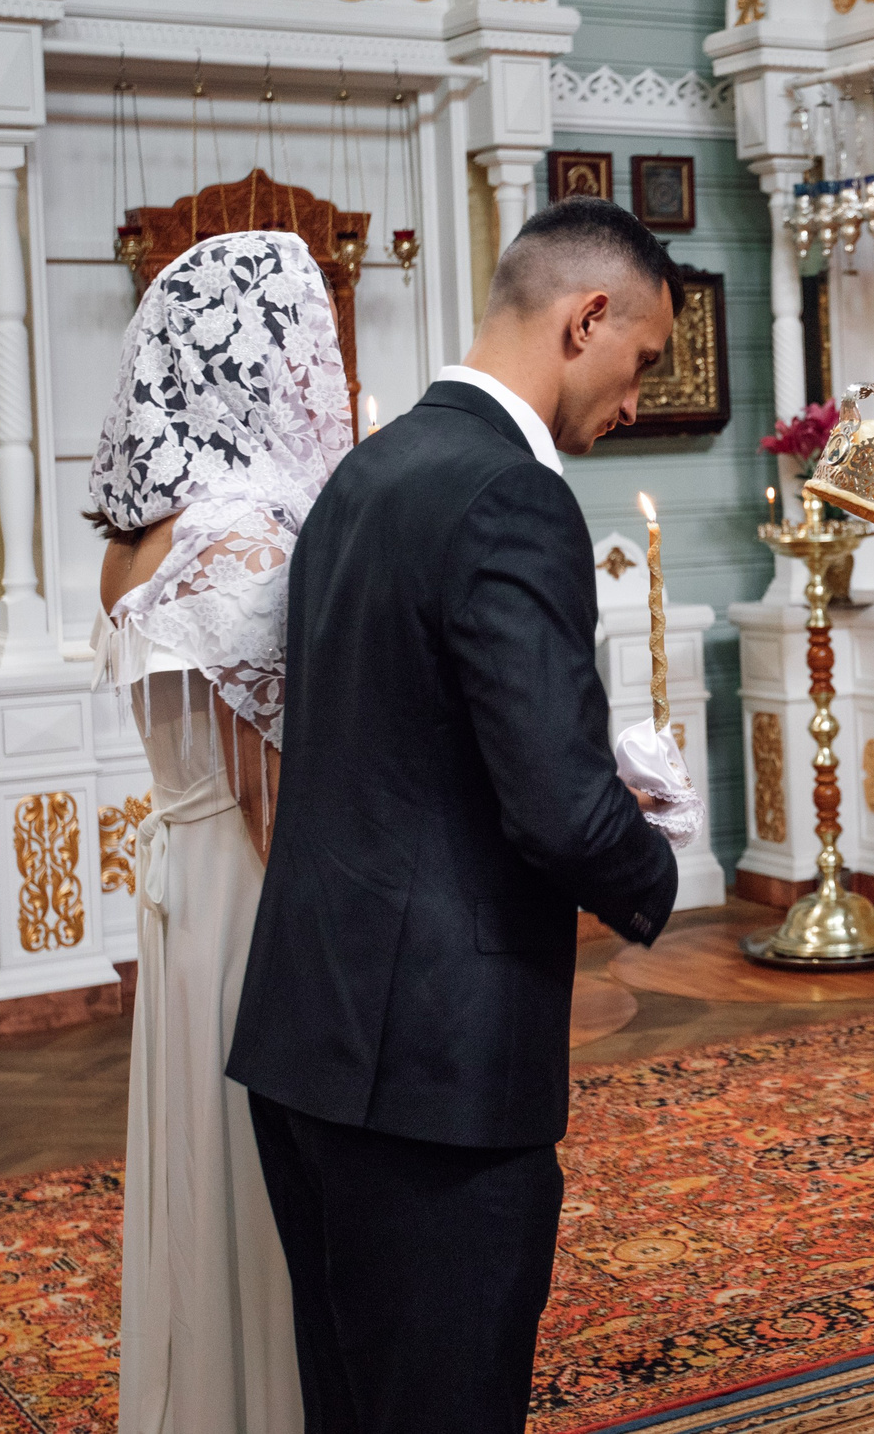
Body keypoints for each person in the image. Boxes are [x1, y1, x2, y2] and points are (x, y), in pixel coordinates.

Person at [226, 196, 690, 1434]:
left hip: (309, 1030)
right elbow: (550, 806)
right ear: (587, 318)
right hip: (433, 1059)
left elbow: (397, 739)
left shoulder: (366, 473)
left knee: (351, 1401)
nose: (637, 400)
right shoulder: (510, 496)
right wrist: (647, 864)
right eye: (641, 362)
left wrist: (586, 783)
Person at [88, 229, 354, 1434]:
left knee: (206, 1180)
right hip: (253, 891)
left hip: (185, 886)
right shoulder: (249, 541)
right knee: (266, 1187)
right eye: (311, 341)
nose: (325, 372)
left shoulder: (139, 543)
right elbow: (272, 795)